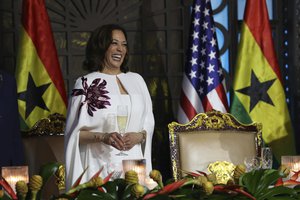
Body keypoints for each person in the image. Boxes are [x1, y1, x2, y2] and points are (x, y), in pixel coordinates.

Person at [64, 24, 155, 189]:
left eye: (124, 44)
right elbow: (73, 135)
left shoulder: (137, 81)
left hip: (134, 167)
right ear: (101, 47)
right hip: (99, 168)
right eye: (114, 43)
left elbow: (148, 124)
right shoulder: (85, 84)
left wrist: (139, 136)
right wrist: (104, 137)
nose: (120, 49)